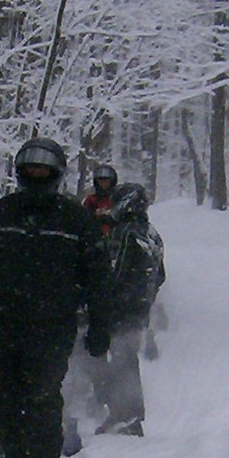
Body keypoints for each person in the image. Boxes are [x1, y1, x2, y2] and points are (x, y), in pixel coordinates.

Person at [0, 136, 109, 458]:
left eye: (44, 172)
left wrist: (101, 326)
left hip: (53, 325)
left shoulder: (75, 220)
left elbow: (98, 277)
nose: (37, 178)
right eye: (30, 172)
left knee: (41, 395)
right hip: (5, 320)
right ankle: (15, 457)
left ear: (55, 175)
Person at [87, 183, 164, 434]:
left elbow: (113, 271)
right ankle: (125, 414)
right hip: (140, 308)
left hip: (120, 307)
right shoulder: (151, 232)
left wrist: (97, 296)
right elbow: (160, 275)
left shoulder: (126, 232)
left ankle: (126, 415)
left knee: (112, 357)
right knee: (125, 358)